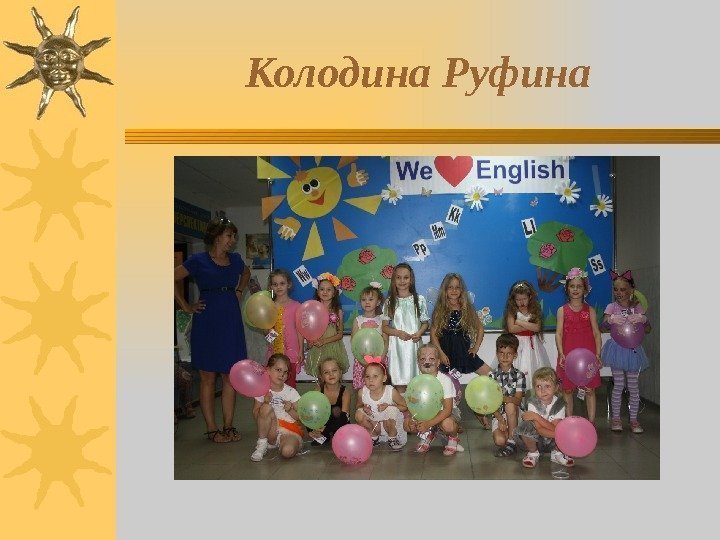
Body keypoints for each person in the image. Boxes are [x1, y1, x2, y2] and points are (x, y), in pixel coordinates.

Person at [173, 217, 249, 443]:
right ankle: (212, 429)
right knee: (207, 377)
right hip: (207, 321)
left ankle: (228, 425)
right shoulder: (198, 260)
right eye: (229, 236)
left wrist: (239, 290)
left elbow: (246, 273)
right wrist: (185, 305)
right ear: (217, 237)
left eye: (234, 236)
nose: (232, 240)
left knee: (230, 376)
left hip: (230, 320)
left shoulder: (235, 259)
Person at [430, 272, 490, 427]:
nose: (454, 290)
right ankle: (448, 420)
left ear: (461, 290)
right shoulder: (440, 309)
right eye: (450, 287)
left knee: (491, 375)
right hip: (446, 352)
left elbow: (480, 328)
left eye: (457, 287)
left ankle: (480, 410)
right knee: (445, 385)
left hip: (463, 351)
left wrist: (475, 347)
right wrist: (440, 353)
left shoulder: (466, 308)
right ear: (445, 290)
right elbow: (433, 335)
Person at [600, 269, 651, 434]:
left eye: (623, 289)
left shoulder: (637, 307)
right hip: (617, 350)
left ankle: (634, 420)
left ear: (631, 290)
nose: (619, 292)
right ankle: (616, 419)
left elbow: (648, 329)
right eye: (616, 289)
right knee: (619, 385)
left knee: (634, 387)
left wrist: (643, 319)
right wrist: (610, 320)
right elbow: (603, 327)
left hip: (633, 350)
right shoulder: (611, 307)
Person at [555, 267, 602, 424]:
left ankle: (591, 422)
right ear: (567, 288)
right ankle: (569, 421)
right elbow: (559, 334)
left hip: (588, 357)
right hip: (568, 355)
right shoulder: (562, 310)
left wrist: (597, 354)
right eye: (572, 286)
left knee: (590, 390)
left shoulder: (590, 310)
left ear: (585, 289)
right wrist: (561, 353)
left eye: (579, 286)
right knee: (567, 390)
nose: (575, 289)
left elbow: (596, 333)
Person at [403, 344, 462, 456]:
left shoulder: (445, 380)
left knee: (447, 424)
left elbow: (448, 410)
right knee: (407, 424)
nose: (427, 362)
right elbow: (413, 403)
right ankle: (428, 434)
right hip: (425, 413)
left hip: (446, 413)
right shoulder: (416, 381)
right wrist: (411, 418)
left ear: (438, 362)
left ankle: (453, 438)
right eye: (422, 359)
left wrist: (428, 423)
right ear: (418, 362)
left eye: (431, 359)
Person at [382, 263, 429, 394]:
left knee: (416, 383)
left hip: (414, 346)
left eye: (406, 277)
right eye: (398, 277)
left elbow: (425, 323)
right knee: (399, 382)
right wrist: (398, 332)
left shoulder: (419, 300)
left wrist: (419, 333)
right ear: (394, 280)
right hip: (397, 348)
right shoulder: (389, 302)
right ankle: (401, 406)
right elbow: (384, 327)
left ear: (411, 279)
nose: (402, 281)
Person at [515, 366, 574, 468]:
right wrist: (563, 436)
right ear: (534, 389)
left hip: (554, 441)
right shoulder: (532, 402)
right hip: (536, 441)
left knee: (566, 427)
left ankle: (557, 453)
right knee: (525, 426)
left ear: (556, 387)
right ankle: (533, 453)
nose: (543, 390)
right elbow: (539, 429)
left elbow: (555, 428)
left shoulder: (560, 404)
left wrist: (536, 417)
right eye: (538, 386)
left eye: (547, 386)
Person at [251, 354, 305, 462]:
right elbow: (256, 414)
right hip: (271, 431)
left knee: (287, 451)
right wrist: (265, 402)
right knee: (266, 407)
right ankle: (262, 444)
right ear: (268, 370)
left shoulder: (291, 392)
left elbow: (301, 417)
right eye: (278, 370)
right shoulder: (262, 390)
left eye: (285, 372)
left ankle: (284, 444)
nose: (282, 374)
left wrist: (289, 410)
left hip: (289, 430)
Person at [502, 280, 551, 382]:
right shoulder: (512, 311)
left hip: (532, 343)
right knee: (517, 364)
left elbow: (537, 328)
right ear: (514, 300)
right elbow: (511, 328)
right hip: (516, 343)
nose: (521, 302)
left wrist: (519, 322)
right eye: (518, 300)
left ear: (530, 297)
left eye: (524, 299)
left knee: (533, 364)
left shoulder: (534, 310)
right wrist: (529, 326)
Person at [355, 359, 407, 450]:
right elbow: (358, 406)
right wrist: (364, 408)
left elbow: (405, 406)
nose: (371, 380)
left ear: (384, 378)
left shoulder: (391, 391)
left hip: (391, 427)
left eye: (375, 376)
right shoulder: (362, 392)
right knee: (359, 413)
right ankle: (374, 437)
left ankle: (392, 439)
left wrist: (389, 406)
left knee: (391, 410)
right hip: (376, 425)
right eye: (367, 376)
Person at [305, 272, 349, 379]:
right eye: (322, 289)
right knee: (321, 376)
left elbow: (340, 334)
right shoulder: (312, 310)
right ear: (317, 292)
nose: (325, 292)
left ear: (334, 293)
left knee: (333, 375)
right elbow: (308, 330)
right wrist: (309, 341)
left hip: (332, 347)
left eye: (329, 289)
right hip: (317, 348)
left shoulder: (337, 311)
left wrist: (324, 341)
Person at [489, 333, 526, 458]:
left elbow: (517, 401)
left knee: (510, 405)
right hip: (498, 413)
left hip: (516, 413)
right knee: (499, 441)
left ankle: (511, 441)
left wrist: (501, 398)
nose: (504, 357)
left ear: (515, 355)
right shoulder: (491, 376)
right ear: (497, 354)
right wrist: (500, 419)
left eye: (509, 354)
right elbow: (490, 403)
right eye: (501, 353)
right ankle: (513, 436)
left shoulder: (519, 375)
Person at [265, 269, 303, 388]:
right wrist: (271, 338)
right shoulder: (269, 306)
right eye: (275, 284)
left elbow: (299, 330)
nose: (279, 287)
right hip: (275, 351)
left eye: (282, 283)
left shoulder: (297, 306)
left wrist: (301, 350)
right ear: (271, 286)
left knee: (290, 383)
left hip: (292, 351)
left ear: (289, 284)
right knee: (273, 384)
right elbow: (267, 331)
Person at [350, 283, 389, 392]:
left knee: (379, 389)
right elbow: (353, 342)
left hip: (379, 360)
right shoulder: (357, 320)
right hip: (361, 361)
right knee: (361, 391)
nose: (367, 302)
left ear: (378, 302)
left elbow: (386, 341)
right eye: (363, 300)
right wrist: (361, 359)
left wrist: (380, 358)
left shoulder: (382, 320)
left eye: (371, 299)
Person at [308, 358, 351, 445]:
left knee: (337, 412)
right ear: (321, 377)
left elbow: (344, 417)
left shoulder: (345, 392)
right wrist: (312, 429)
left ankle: (332, 433)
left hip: (340, 422)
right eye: (326, 372)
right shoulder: (318, 390)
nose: (331, 374)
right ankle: (324, 435)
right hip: (324, 422)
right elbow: (310, 411)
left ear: (340, 373)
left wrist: (328, 429)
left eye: (334, 370)